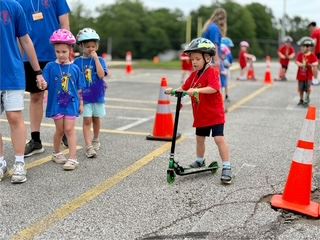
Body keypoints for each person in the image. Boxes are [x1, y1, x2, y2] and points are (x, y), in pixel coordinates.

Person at [165, 37, 232, 184]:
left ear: (207, 58)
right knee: (199, 139)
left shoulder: (212, 72)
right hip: (201, 114)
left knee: (219, 139)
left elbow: (213, 88)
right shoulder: (194, 75)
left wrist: (196, 90)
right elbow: (184, 88)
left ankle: (227, 167)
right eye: (192, 59)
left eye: (197, 58)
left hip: (214, 114)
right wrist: (173, 91)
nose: (193, 62)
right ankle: (200, 161)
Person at [16, 0, 71, 157]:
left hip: (56, 54)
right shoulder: (18, 1)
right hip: (31, 57)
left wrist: (67, 52)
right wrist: (17, 59)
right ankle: (36, 140)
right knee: (36, 97)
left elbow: (65, 24)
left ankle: (65, 132)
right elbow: (17, 31)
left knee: (62, 95)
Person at [0, 0, 45, 183]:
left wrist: (38, 72)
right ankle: (1, 161)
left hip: (12, 73)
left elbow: (25, 40)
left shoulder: (13, 6)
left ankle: (19, 162)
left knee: (14, 118)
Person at [42, 29, 85, 170]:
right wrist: (41, 83)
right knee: (59, 130)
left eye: (64, 52)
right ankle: (57, 153)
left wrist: (82, 103)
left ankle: (73, 158)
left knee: (69, 129)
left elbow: (80, 88)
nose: (61, 55)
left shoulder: (75, 68)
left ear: (70, 50)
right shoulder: (50, 67)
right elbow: (45, 83)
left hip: (71, 103)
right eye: (58, 51)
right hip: (56, 103)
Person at [74, 28, 108, 158]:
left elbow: (101, 75)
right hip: (84, 95)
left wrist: (96, 60)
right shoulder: (77, 62)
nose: (91, 49)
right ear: (81, 46)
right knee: (87, 119)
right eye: (88, 46)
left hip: (97, 94)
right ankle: (88, 146)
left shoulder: (100, 60)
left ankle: (96, 139)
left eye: (93, 46)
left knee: (96, 118)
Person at [295, 37, 318, 106]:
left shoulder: (312, 55)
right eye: (304, 46)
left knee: (308, 87)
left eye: (307, 46)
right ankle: (301, 99)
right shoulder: (300, 55)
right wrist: (301, 64)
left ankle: (307, 98)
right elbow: (297, 62)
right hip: (300, 75)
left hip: (308, 76)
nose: (305, 48)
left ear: (310, 48)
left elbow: (316, 62)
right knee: (301, 88)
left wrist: (311, 64)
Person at [221, 37, 234, 102]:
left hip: (226, 70)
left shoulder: (228, 54)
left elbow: (231, 63)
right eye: (229, 47)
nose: (229, 48)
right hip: (222, 70)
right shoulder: (220, 53)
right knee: (222, 84)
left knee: (225, 84)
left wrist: (227, 63)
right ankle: (223, 96)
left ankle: (226, 95)